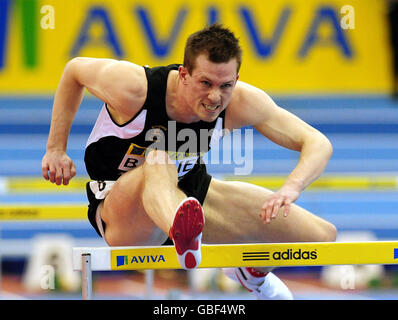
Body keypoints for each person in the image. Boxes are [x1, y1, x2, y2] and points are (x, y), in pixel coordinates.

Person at [42, 24, 337, 299]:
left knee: (320, 236)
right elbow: (74, 70)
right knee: (159, 157)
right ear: (183, 74)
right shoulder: (134, 88)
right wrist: (56, 148)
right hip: (123, 211)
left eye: (225, 85)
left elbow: (317, 142)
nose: (214, 97)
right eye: (205, 83)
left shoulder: (241, 101)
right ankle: (182, 231)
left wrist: (291, 187)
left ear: (236, 79)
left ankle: (250, 271)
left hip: (191, 195)